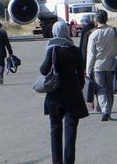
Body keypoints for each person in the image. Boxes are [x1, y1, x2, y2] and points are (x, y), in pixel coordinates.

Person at [40, 21, 88, 164]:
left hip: (55, 96)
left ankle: (57, 161)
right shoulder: (74, 50)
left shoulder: (52, 49)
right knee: (71, 132)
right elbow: (81, 73)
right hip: (73, 96)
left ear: (55, 32)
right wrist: (78, 86)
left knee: (55, 131)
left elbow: (43, 70)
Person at [85, 9, 117, 121]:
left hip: (98, 67)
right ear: (106, 19)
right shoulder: (113, 31)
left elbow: (91, 54)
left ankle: (104, 110)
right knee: (109, 89)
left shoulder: (93, 34)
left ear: (96, 20)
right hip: (111, 65)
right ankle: (107, 109)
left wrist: (88, 70)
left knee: (100, 89)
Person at [77, 15, 96, 110]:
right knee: (98, 84)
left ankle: (90, 102)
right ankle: (100, 104)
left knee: (88, 83)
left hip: (88, 61)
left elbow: (83, 48)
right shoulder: (95, 29)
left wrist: (82, 63)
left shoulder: (86, 32)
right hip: (98, 62)